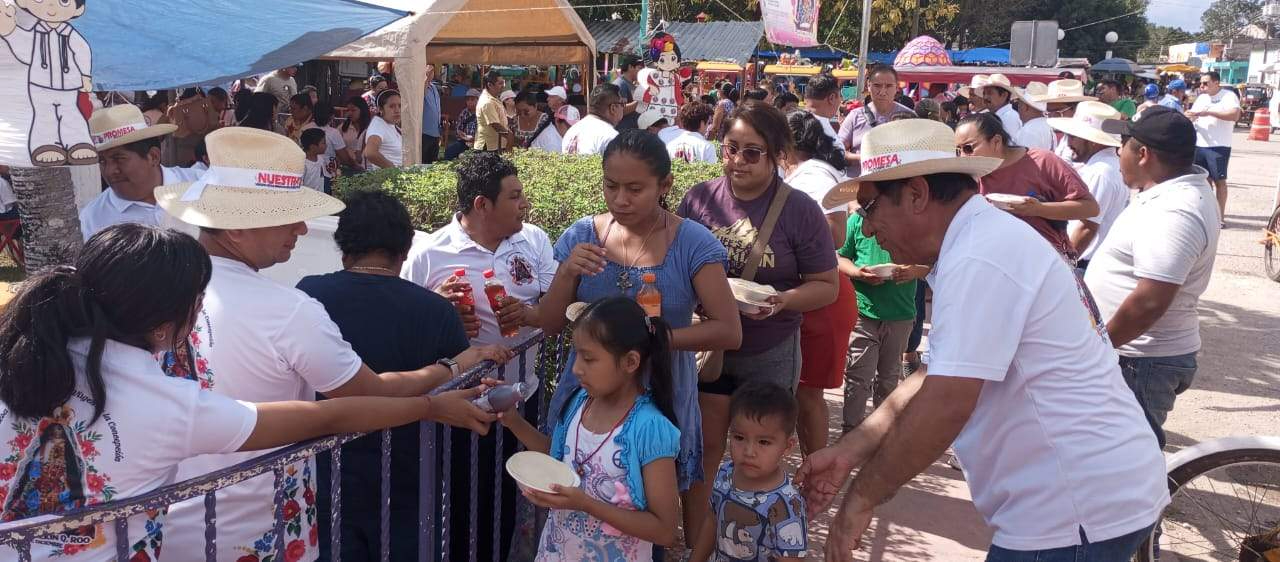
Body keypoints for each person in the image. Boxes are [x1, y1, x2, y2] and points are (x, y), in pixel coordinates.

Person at [0, 223, 496, 562]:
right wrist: (432, 404)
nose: (301, 231)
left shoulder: (27, 351)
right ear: (166, 318)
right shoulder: (166, 405)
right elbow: (324, 417)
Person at [799, 118, 1169, 561]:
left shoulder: (979, 256)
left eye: (871, 207)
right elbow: (933, 374)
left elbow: (947, 403)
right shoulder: (975, 241)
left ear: (916, 194)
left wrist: (861, 498)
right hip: (1086, 497)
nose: (869, 227)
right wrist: (849, 450)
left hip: (1072, 508)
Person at [151, 127, 509, 562]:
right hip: (257, 528)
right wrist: (448, 372)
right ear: (239, 227)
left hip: (163, 524)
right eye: (288, 215)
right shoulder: (287, 309)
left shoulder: (159, 292)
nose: (302, 228)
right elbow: (366, 393)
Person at [539, 130, 742, 536]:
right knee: (578, 499)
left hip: (659, 390)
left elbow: (729, 330)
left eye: (635, 188)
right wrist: (566, 271)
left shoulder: (690, 242)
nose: (620, 200)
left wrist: (654, 341)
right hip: (588, 395)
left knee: (647, 508)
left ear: (664, 185)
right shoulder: (583, 236)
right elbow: (549, 323)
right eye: (611, 186)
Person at [678, 102, 839, 544]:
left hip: (769, 349)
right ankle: (700, 546)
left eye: (753, 153)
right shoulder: (698, 200)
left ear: (776, 155)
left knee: (760, 457)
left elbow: (826, 285)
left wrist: (783, 299)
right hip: (711, 348)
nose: (739, 161)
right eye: (732, 149)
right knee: (704, 453)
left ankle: (758, 544)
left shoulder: (800, 210)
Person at [296, 190, 483, 561]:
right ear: (404, 249)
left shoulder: (309, 294)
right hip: (412, 472)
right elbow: (466, 390)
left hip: (328, 468)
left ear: (343, 245)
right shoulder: (436, 311)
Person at [399, 151, 555, 561]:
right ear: (482, 205)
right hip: (459, 401)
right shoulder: (430, 253)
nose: (525, 204)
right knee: (460, 497)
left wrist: (528, 313)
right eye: (515, 196)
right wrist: (438, 310)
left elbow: (558, 307)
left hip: (524, 394)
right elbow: (407, 323)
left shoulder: (534, 240)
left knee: (510, 495)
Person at [499, 297, 683, 560]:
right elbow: (558, 457)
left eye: (589, 359)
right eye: (576, 356)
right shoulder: (579, 403)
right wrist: (514, 421)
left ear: (630, 362)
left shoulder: (649, 428)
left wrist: (585, 503)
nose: (576, 369)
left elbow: (665, 530)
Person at [1086, 107, 1221, 449]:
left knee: (1124, 460)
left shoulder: (1176, 211)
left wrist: (1096, 347)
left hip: (1140, 361)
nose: (1118, 152)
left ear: (1143, 154)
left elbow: (1150, 300)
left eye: (1123, 144)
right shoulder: (1165, 192)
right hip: (1134, 356)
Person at [779, 111, 858, 455]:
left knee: (807, 394)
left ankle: (814, 471)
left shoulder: (812, 177)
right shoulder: (813, 173)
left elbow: (836, 234)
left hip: (821, 298)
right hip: (813, 293)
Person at [835, 181, 927, 433]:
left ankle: (880, 434)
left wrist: (912, 272)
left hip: (900, 315)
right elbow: (839, 256)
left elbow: (929, 264)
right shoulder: (855, 223)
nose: (864, 208)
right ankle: (850, 431)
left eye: (869, 203)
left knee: (888, 379)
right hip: (863, 312)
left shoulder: (911, 226)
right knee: (858, 376)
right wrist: (857, 272)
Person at [954, 113, 1099, 264]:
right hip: (999, 265)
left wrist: (1038, 209)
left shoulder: (1043, 162)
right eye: (958, 151)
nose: (963, 157)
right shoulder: (972, 176)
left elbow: (1090, 208)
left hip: (1044, 264)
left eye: (968, 148)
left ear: (996, 142)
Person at [690, 382, 808, 562]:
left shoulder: (786, 504)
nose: (749, 451)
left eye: (764, 442)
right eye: (739, 438)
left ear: (787, 446)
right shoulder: (725, 473)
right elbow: (712, 520)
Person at [80, 104, 203, 240]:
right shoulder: (93, 219)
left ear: (153, 157)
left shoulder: (201, 186)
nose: (109, 171)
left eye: (119, 159)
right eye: (102, 161)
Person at [1049, 101, 1130, 273]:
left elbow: (1086, 228)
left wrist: (1062, 267)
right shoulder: (1105, 167)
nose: (1069, 143)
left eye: (1073, 136)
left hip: (1084, 262)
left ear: (1092, 141)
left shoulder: (1100, 172)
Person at [1187, 71, 1240, 224]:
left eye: (1205, 83)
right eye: (1201, 83)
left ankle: (1220, 217)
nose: (1202, 86)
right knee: (1204, 181)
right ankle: (1207, 214)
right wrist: (1190, 115)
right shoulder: (1202, 98)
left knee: (1220, 182)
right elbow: (1195, 115)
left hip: (1219, 146)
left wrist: (1209, 112)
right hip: (1200, 144)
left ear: (1216, 83)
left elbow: (1235, 115)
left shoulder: (1228, 96)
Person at [838, 65, 914, 168]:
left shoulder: (909, 116)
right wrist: (863, 158)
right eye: (877, 85)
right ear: (869, 86)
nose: (882, 92)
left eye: (888, 86)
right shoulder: (855, 116)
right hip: (859, 180)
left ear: (896, 87)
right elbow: (838, 150)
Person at [562, 83, 624, 155]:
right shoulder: (610, 136)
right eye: (622, 104)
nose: (623, 107)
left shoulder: (572, 131)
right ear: (613, 108)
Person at [364, 89, 404, 170]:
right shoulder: (378, 126)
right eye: (392, 106)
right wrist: (393, 170)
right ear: (380, 109)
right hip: (388, 179)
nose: (397, 110)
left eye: (399, 106)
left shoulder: (390, 124)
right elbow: (370, 153)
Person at [475, 71, 511, 152]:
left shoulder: (494, 98)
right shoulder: (487, 101)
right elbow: (495, 124)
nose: (503, 86)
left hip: (496, 145)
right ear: (490, 85)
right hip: (488, 147)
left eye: (503, 83)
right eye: (500, 83)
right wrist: (510, 137)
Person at [1012, 82, 1053, 150]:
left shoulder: (1028, 131)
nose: (1018, 107)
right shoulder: (1047, 125)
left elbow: (1025, 159)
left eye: (1019, 103)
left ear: (1026, 107)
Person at [801, 74, 842, 141]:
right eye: (840, 96)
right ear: (832, 98)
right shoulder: (828, 136)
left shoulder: (790, 123)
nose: (840, 101)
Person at [982, 73, 1023, 138]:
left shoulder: (1009, 118)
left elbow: (1010, 146)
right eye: (984, 93)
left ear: (1004, 95)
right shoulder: (997, 116)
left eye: (989, 93)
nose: (985, 97)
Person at [445, 88, 480, 160]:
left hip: (478, 143)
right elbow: (458, 128)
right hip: (464, 141)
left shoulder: (482, 113)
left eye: (472, 99)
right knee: (449, 151)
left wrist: (474, 139)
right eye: (468, 100)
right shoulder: (464, 112)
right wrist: (461, 134)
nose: (469, 102)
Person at [340, 96, 372, 172]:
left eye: (353, 110)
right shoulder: (343, 127)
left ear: (362, 110)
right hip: (348, 167)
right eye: (348, 110)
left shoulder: (372, 127)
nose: (350, 113)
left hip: (368, 168)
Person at [422, 63, 442, 163]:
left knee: (432, 162)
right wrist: (425, 76)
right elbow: (421, 94)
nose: (431, 73)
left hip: (435, 132)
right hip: (424, 132)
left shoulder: (434, 87)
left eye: (432, 71)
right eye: (429, 71)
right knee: (423, 160)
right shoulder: (421, 86)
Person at [300, 128, 326, 192]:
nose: (326, 145)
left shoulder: (320, 159)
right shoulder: (303, 164)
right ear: (312, 147)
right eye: (323, 143)